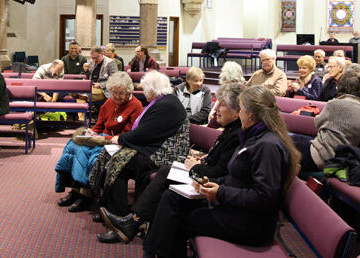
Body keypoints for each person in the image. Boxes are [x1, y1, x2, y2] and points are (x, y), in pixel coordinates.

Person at [142, 86, 300, 256]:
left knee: (177, 215)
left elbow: (264, 197)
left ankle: (151, 252)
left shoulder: (267, 146)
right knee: (172, 198)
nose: (239, 113)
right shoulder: (255, 138)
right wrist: (211, 183)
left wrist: (220, 192)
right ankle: (151, 252)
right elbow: (237, 179)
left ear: (250, 115)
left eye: (241, 109)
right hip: (236, 209)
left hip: (250, 223)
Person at [100, 83, 244, 243]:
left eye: (221, 105)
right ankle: (131, 221)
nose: (215, 110)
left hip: (206, 182)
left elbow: (219, 172)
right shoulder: (230, 131)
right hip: (195, 171)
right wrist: (200, 162)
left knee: (158, 176)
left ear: (237, 112)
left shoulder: (236, 136)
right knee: (143, 168)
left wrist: (196, 167)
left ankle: (133, 222)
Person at [92, 71, 187, 243]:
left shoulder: (167, 105)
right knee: (115, 158)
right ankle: (113, 211)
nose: (144, 93)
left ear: (152, 90)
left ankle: (121, 219)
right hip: (154, 148)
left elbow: (145, 133)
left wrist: (121, 139)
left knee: (120, 163)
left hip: (163, 154)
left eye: (145, 90)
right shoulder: (163, 102)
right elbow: (147, 133)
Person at [55, 72, 142, 212]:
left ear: (129, 91)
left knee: (88, 154)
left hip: (116, 143)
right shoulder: (109, 102)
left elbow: (129, 134)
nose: (116, 96)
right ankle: (75, 189)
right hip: (101, 138)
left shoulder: (136, 105)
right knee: (74, 146)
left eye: (121, 93)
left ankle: (86, 194)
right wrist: (92, 132)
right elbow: (99, 125)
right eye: (114, 92)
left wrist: (103, 138)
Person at [293, 71, 360, 172]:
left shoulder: (333, 104)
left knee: (286, 143)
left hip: (321, 157)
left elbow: (317, 123)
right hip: (343, 160)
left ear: (340, 86)